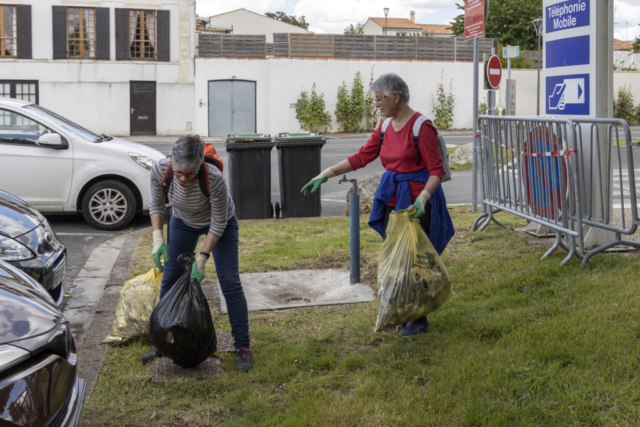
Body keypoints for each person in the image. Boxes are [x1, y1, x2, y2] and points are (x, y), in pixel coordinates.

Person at [301, 73, 455, 336]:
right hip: (394, 199)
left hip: (418, 202)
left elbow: (436, 170)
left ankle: (417, 319)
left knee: (415, 261)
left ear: (396, 97)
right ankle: (401, 310)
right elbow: (362, 157)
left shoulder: (421, 127)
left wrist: (423, 199)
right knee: (397, 259)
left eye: (379, 99)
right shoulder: (384, 128)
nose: (377, 105)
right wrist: (325, 173)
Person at [143, 135, 253, 371]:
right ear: (172, 160)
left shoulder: (213, 179)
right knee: (170, 279)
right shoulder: (161, 170)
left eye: (190, 174)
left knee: (230, 282)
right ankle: (162, 340)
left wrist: (202, 259)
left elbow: (218, 223)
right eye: (179, 172)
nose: (183, 178)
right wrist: (157, 238)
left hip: (220, 224)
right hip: (182, 222)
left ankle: (242, 345)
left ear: (200, 163)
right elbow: (156, 204)